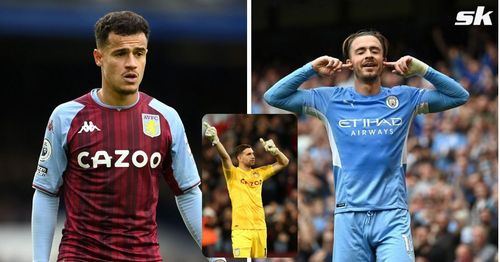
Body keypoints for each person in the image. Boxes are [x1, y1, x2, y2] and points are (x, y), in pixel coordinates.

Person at [31, 11, 224, 262]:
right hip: (81, 256)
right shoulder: (66, 117)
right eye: (121, 54)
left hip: (144, 256)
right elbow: (46, 192)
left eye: (139, 53)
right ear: (99, 57)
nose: (132, 63)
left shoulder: (166, 118)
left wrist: (214, 253)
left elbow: (187, 192)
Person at [263, 30, 469, 262]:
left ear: (384, 60)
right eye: (361, 51)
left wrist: (421, 69)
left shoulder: (405, 98)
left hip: (392, 215)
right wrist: (311, 68)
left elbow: (459, 96)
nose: (369, 55)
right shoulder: (329, 99)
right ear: (349, 63)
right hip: (349, 217)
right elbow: (273, 97)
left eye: (375, 50)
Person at [203, 121, 290, 258]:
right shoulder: (232, 173)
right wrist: (216, 140)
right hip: (241, 229)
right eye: (249, 154)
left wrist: (275, 151)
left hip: (260, 228)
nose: (253, 156)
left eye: (253, 153)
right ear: (239, 157)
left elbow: (284, 162)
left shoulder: (259, 173)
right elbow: (225, 157)